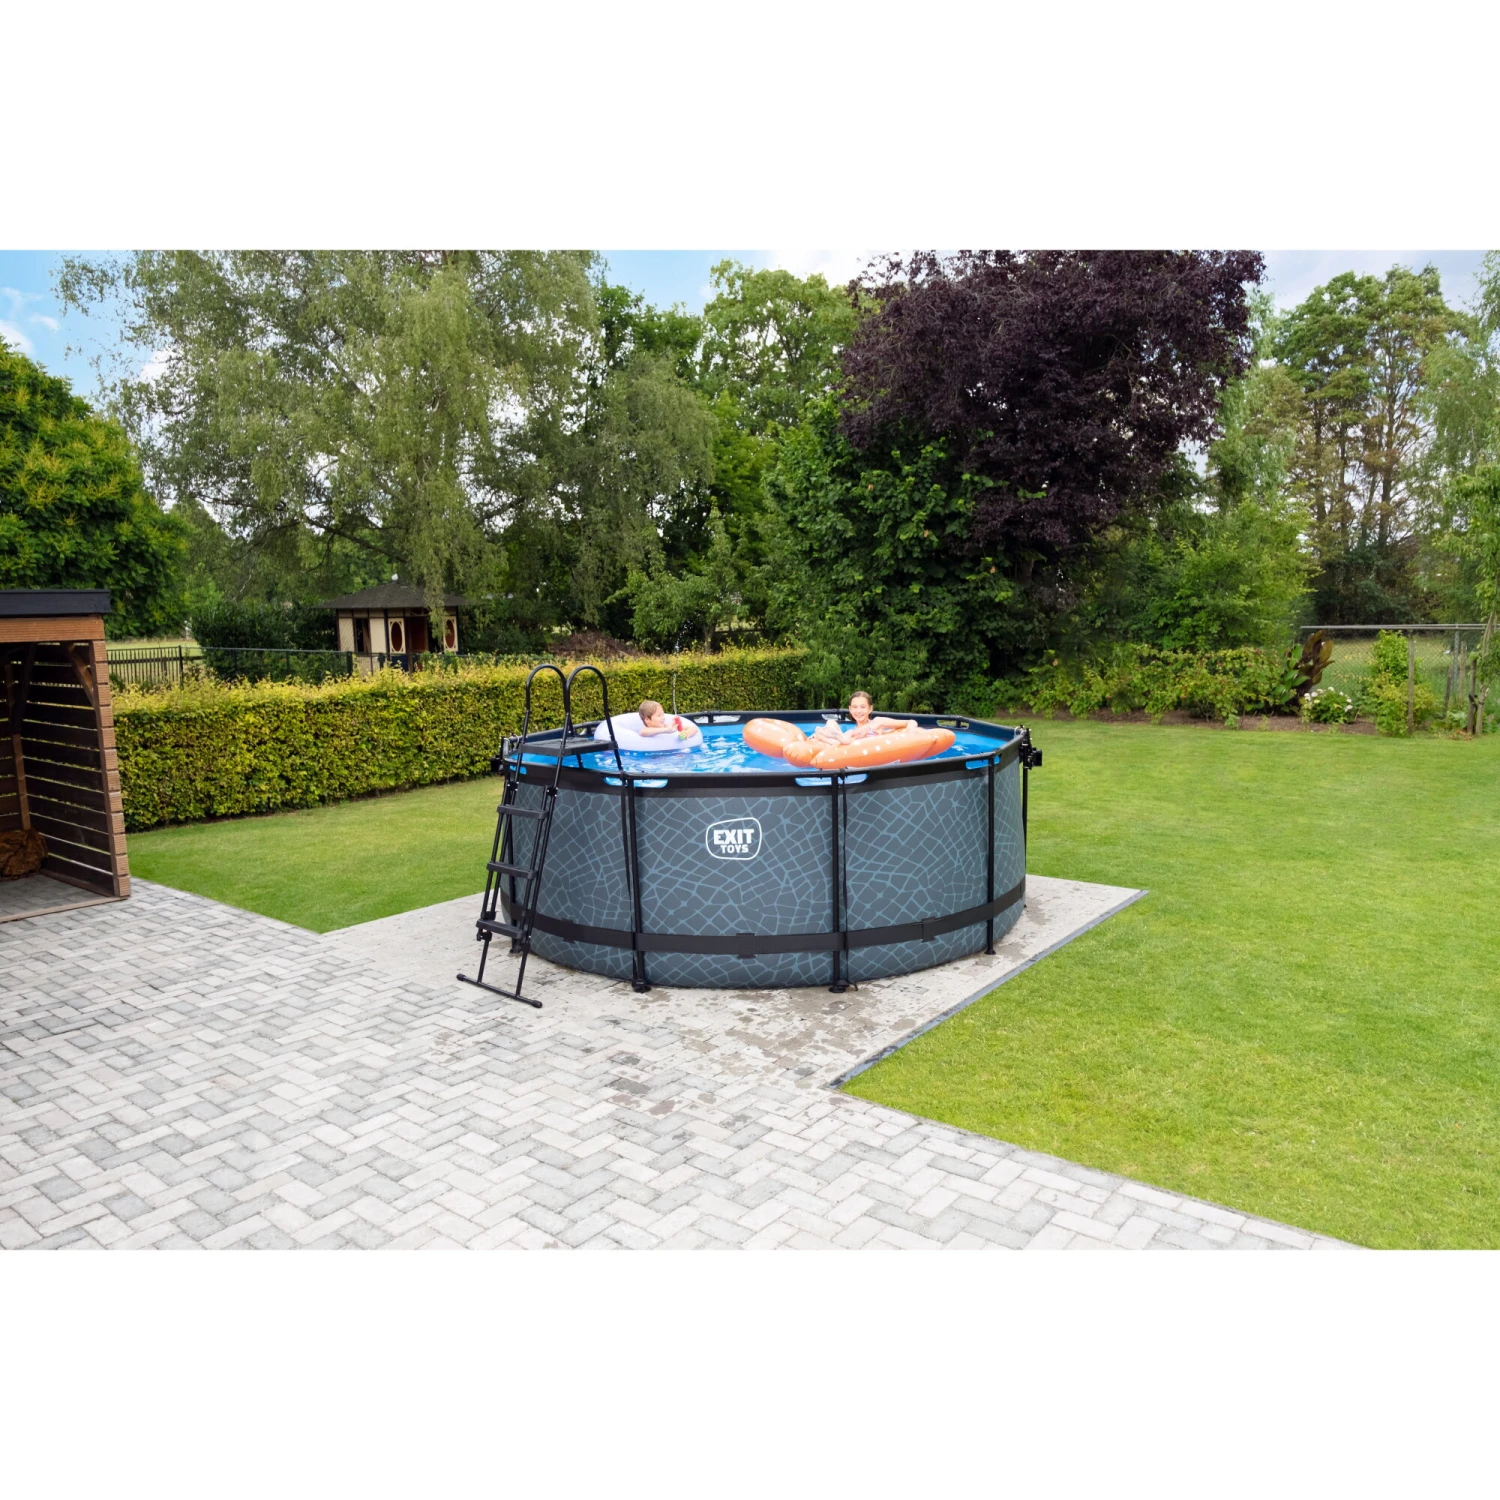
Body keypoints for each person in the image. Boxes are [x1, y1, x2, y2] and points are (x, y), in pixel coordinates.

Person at [813, 690, 918, 745]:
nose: (858, 711)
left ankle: (831, 736)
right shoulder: (852, 732)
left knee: (843, 738)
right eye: (855, 707)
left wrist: (910, 734)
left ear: (870, 708)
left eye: (863, 707)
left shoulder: (877, 722)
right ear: (850, 709)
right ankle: (827, 735)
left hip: (871, 744)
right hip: (849, 743)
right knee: (831, 722)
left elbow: (911, 722)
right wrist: (820, 737)